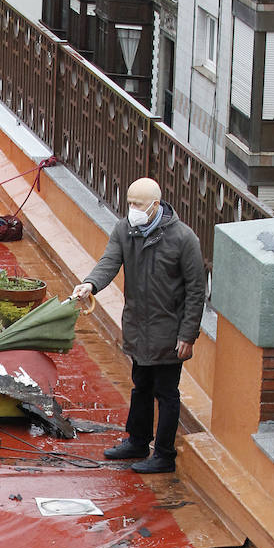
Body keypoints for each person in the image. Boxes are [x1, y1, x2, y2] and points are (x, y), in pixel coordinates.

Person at [72, 177, 206, 475]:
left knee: (166, 393)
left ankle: (164, 454)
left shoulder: (184, 239)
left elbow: (197, 292)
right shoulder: (125, 230)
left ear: (155, 206)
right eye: (130, 203)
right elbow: (110, 261)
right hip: (138, 326)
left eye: (138, 205)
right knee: (141, 386)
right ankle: (137, 440)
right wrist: (90, 284)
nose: (132, 209)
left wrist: (188, 335)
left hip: (169, 332)